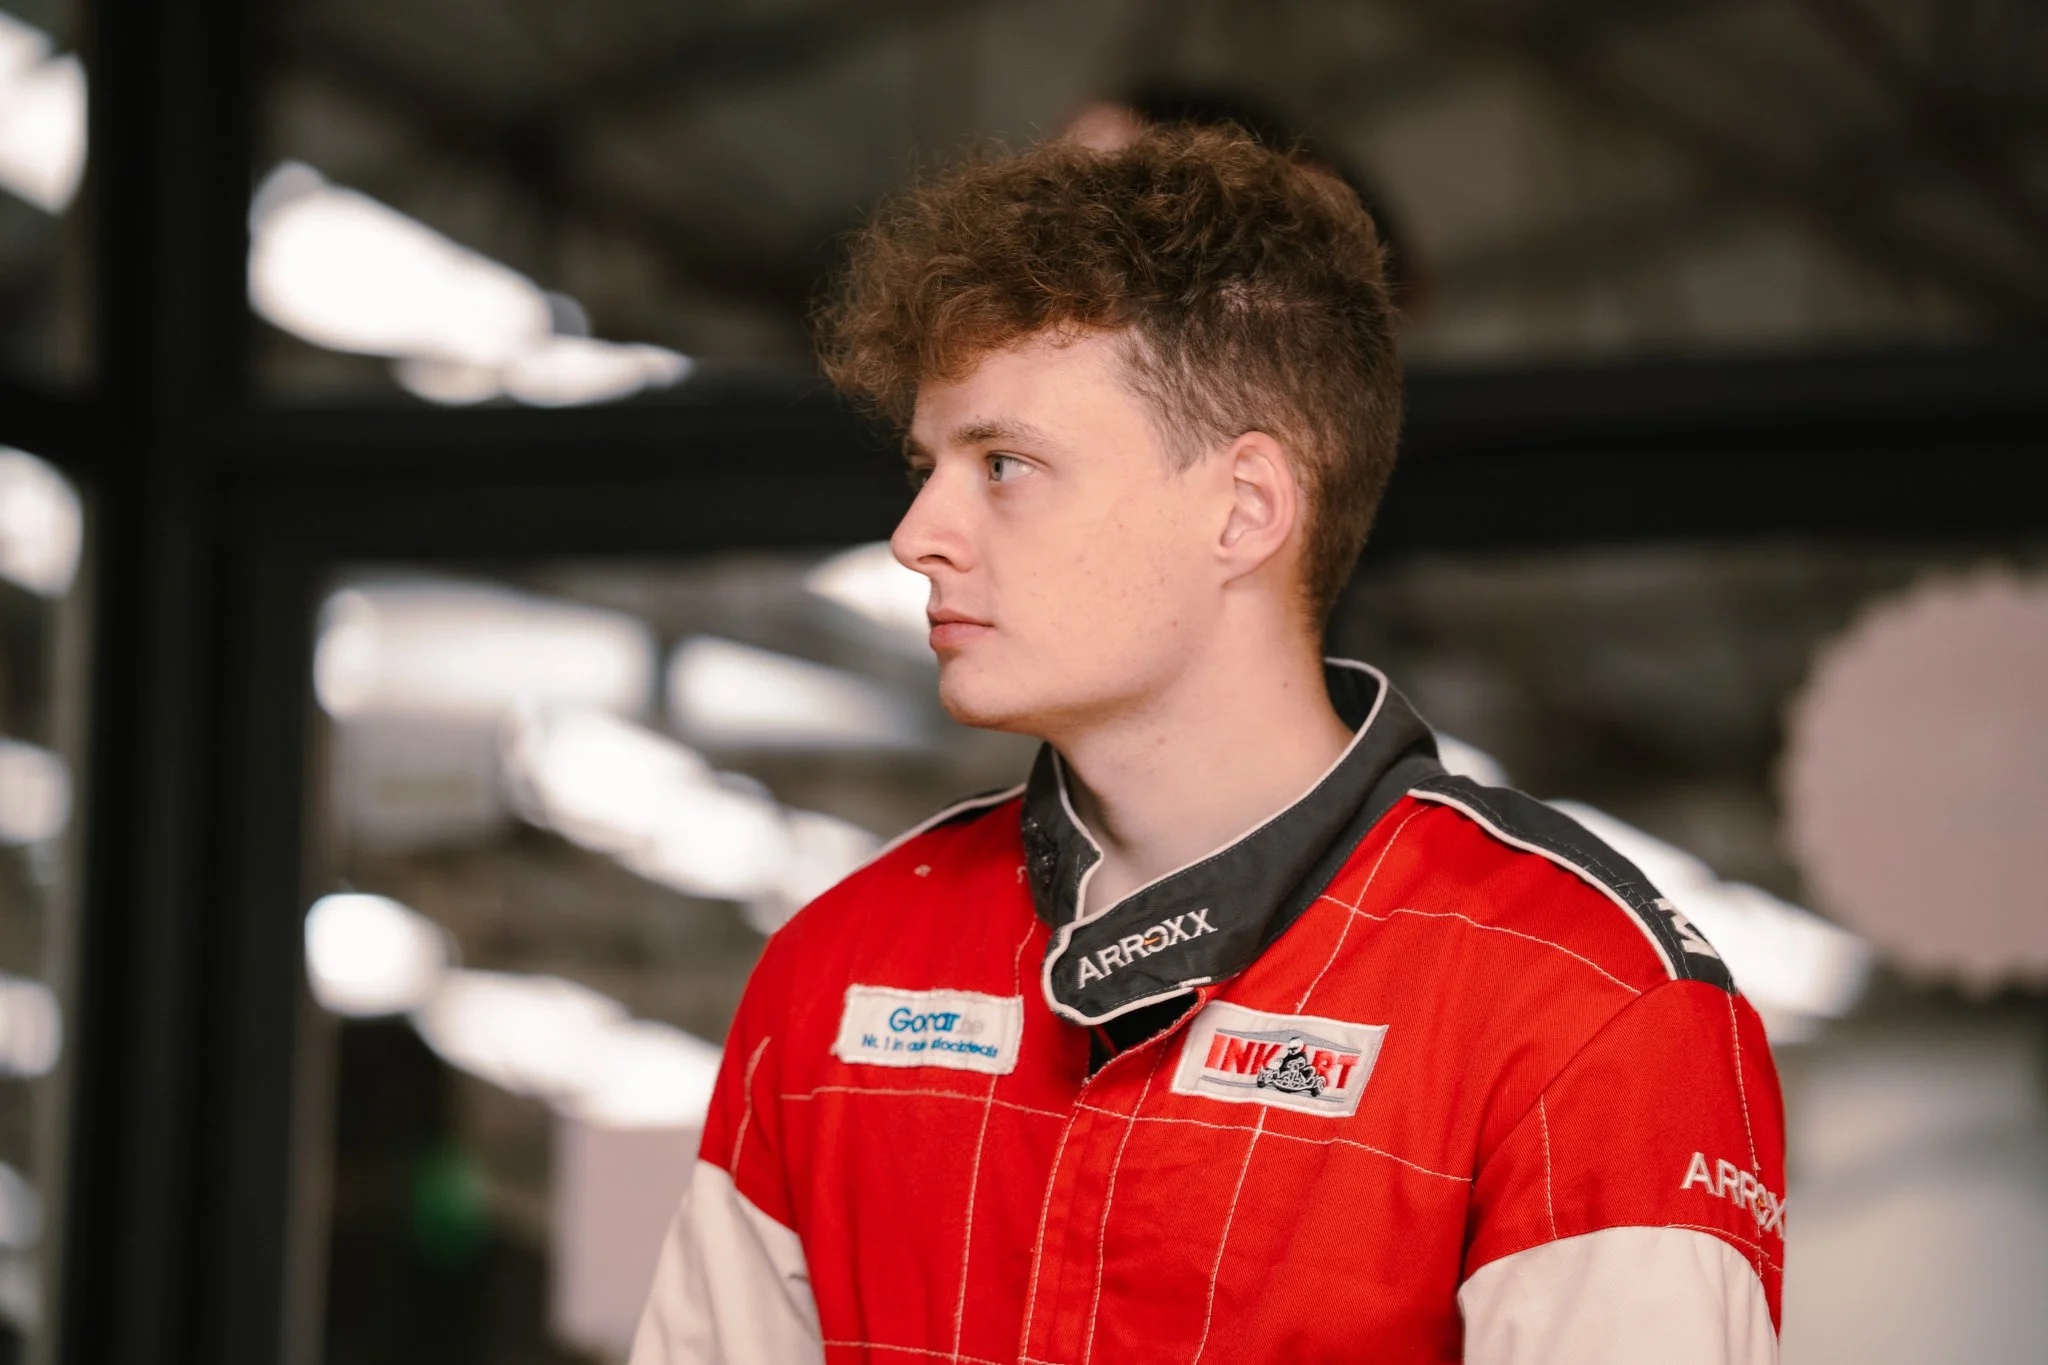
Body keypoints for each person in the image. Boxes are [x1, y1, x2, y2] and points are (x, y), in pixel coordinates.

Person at [632, 126, 1784, 1365]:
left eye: (1005, 464)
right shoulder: (840, 966)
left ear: (1244, 510)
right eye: (928, 466)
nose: (917, 532)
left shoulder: (1585, 1006)